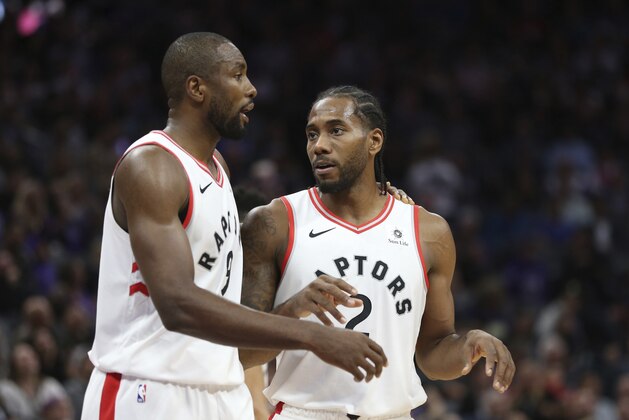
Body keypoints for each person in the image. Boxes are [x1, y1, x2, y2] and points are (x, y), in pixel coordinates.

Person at [81, 34, 388, 420]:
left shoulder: (219, 169)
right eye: (238, 75)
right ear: (197, 88)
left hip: (224, 392)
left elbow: (221, 301)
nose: (251, 88)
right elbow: (178, 304)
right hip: (149, 390)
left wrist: (293, 310)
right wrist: (313, 336)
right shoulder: (152, 167)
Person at [239, 86, 516, 419]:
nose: (319, 146)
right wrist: (292, 310)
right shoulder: (274, 223)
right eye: (312, 134)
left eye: (336, 130)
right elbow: (241, 353)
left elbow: (432, 352)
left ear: (374, 141)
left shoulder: (429, 232)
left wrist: (468, 346)